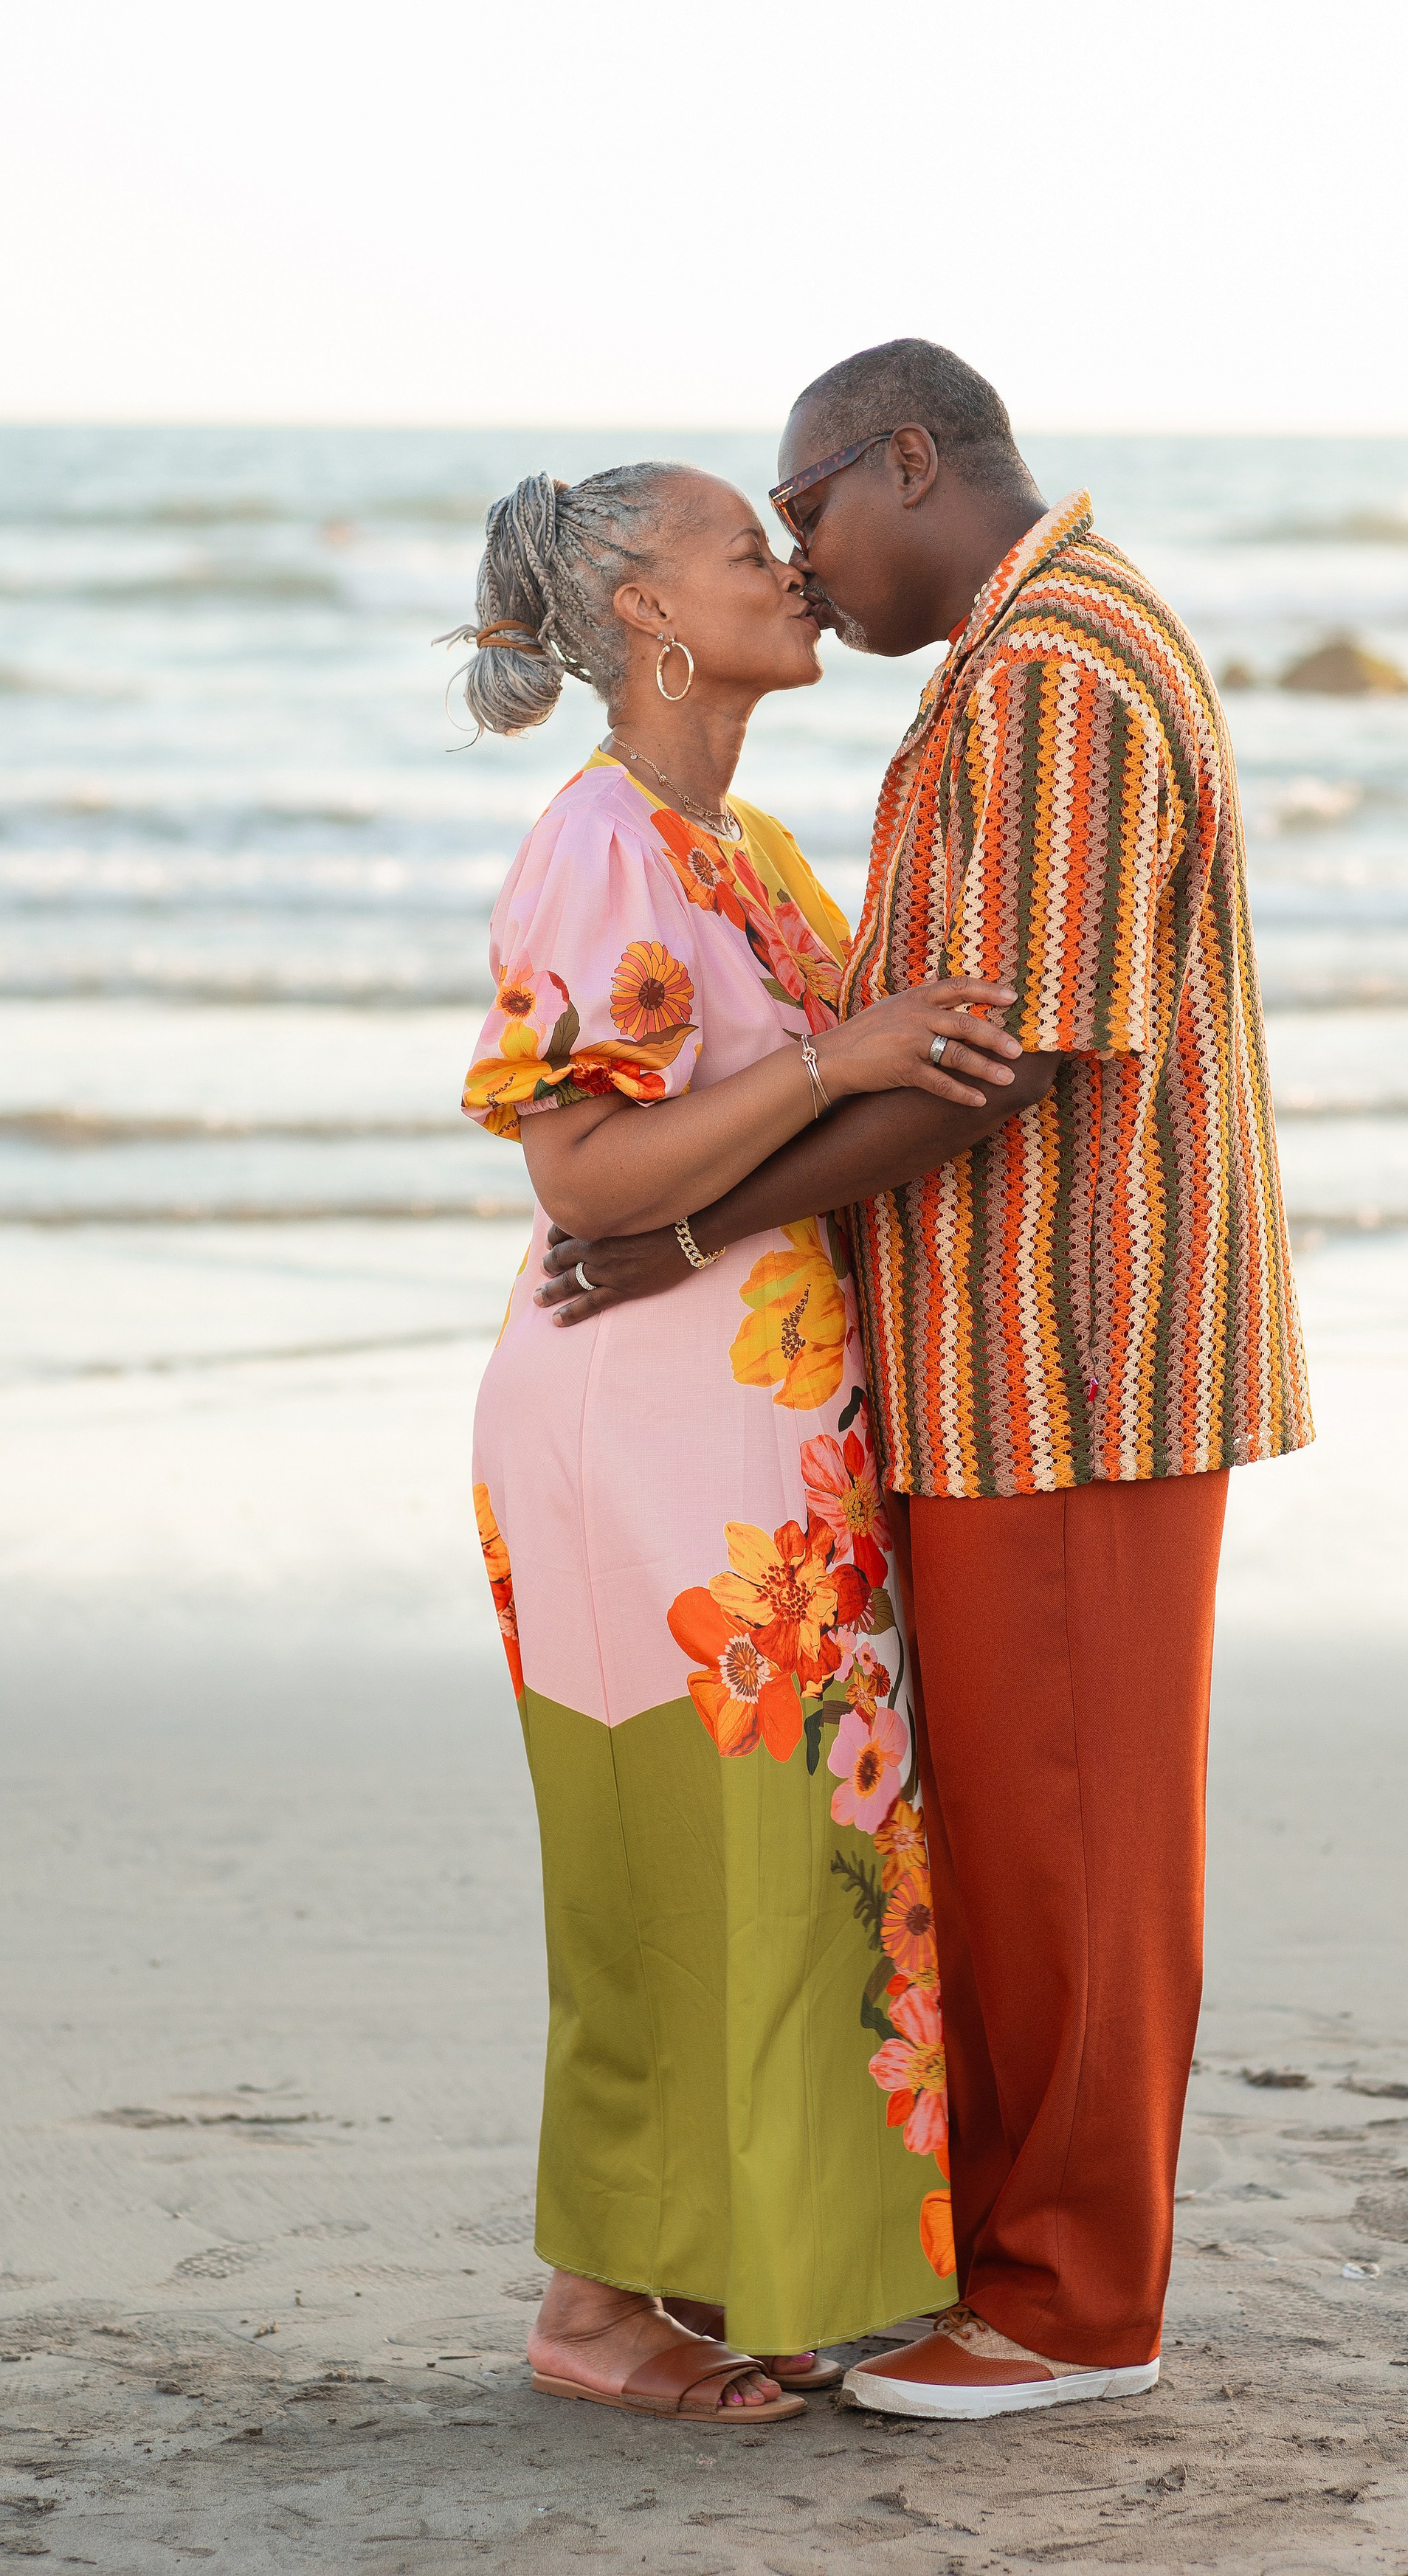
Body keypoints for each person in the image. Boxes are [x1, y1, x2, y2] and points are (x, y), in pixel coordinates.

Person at [536, 342, 1313, 2419]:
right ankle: (1012, 2264)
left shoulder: (1058, 668)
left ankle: (1073, 2309)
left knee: (1076, 1835)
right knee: (1016, 1839)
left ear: (907, 459)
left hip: (1074, 1359)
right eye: (759, 540)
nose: (803, 565)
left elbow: (1007, 1051)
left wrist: (688, 1228)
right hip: (1000, 1369)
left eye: (805, 514)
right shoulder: (1026, 655)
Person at [453, 462, 1032, 2425]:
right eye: (738, 548)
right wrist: (837, 1057)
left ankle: (734, 2273)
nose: (788, 569)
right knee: (663, 1868)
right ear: (647, 616)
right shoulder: (599, 848)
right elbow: (582, 1173)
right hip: (637, 1427)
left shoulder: (754, 854)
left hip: (770, 1436)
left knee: (794, 1866)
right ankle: (600, 2311)